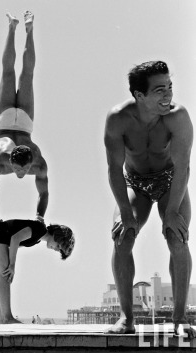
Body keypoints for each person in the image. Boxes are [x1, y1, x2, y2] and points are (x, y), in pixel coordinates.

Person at [104, 61, 195, 338]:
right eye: (159, 90)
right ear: (139, 95)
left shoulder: (178, 117)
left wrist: (171, 213)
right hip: (136, 183)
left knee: (176, 237)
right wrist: (124, 211)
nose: (168, 95)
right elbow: (114, 169)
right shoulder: (118, 119)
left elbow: (183, 167)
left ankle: (179, 318)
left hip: (171, 182)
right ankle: (126, 318)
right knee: (123, 237)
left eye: (169, 87)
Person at [0, 11, 48, 228]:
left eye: (23, 169)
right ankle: (18, 29)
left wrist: (40, 216)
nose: (21, 173)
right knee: (18, 74)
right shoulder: (31, 160)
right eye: (20, 169)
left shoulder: (5, 162)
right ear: (11, 158)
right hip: (19, 124)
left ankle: (18, 28)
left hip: (8, 121)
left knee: (13, 74)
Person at [0, 219, 75, 324]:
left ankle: (3, 319)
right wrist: (12, 265)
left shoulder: (38, 238)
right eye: (58, 246)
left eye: (59, 250)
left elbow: (14, 242)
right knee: (5, 276)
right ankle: (7, 317)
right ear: (56, 235)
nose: (55, 249)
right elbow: (15, 239)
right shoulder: (40, 229)